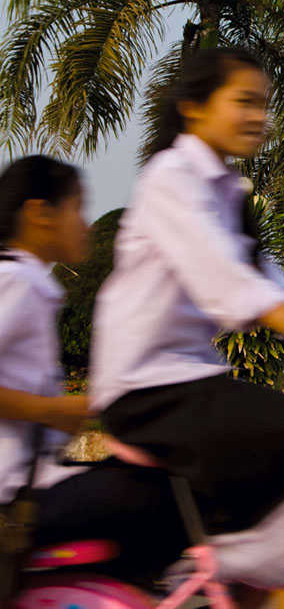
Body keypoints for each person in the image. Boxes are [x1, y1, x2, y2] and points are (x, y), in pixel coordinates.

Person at [87, 47, 284, 608]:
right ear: (193, 107)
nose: (258, 116)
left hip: (186, 385)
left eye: (262, 103)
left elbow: (282, 291)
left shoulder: (225, 192)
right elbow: (235, 290)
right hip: (149, 390)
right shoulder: (173, 178)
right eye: (242, 102)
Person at [0, 155, 189, 596]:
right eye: (76, 209)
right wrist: (53, 409)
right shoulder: (17, 282)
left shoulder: (26, 282)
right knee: (169, 495)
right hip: (16, 500)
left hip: (32, 484)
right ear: (39, 214)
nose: (85, 226)